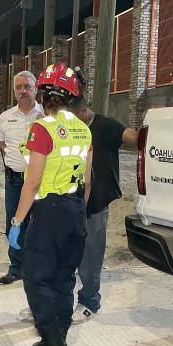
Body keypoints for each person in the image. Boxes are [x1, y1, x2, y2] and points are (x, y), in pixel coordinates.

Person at [9, 63, 92, 346]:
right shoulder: (84, 129)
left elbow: (32, 183)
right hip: (75, 209)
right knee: (64, 280)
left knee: (37, 280)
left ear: (43, 95)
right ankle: (55, 340)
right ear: (71, 97)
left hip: (49, 213)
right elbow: (88, 180)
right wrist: (78, 212)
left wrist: (17, 222)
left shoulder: (42, 129)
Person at [69, 95, 138, 324]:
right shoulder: (70, 129)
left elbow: (131, 137)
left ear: (84, 110)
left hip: (96, 204)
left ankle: (89, 301)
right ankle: (62, 300)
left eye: (74, 116)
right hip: (71, 202)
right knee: (69, 254)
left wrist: (146, 132)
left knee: (91, 256)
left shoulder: (106, 125)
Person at [0, 70, 44, 286]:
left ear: (35, 89)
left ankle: (36, 268)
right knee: (14, 224)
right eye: (18, 87)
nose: (23, 91)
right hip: (14, 180)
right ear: (14, 91)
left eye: (27, 87)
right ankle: (16, 268)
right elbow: (1, 144)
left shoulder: (46, 116)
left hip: (41, 181)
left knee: (40, 226)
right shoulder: (5, 117)